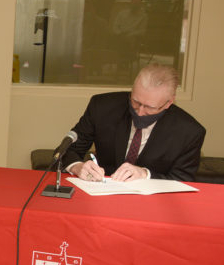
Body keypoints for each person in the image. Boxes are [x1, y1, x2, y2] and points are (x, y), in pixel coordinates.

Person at [62, 64, 205, 182]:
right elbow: (67, 151)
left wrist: (145, 174)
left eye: (150, 107)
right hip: (102, 193)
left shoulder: (189, 131)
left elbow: (183, 180)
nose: (140, 112)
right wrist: (77, 166)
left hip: (154, 206)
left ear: (169, 103)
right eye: (135, 102)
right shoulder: (102, 107)